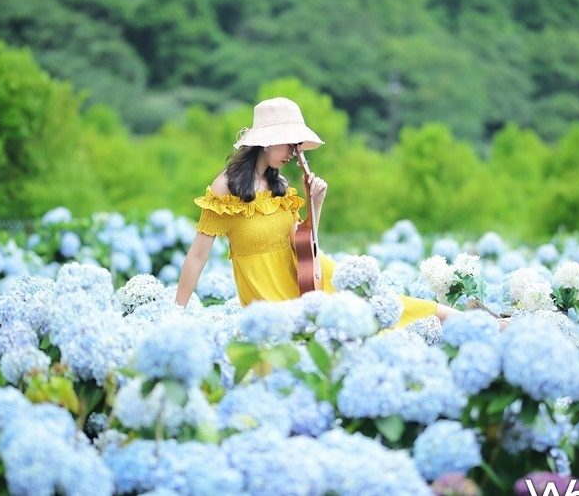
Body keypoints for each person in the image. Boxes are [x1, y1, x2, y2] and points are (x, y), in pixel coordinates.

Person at [173, 97, 510, 330]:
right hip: (269, 298)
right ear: (265, 142)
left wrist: (315, 202)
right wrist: (176, 312)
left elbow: (302, 244)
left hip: (310, 279)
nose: (294, 152)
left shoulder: (280, 186)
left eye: (295, 145)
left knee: (382, 305)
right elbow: (198, 256)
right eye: (289, 144)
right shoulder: (226, 188)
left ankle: (481, 322)